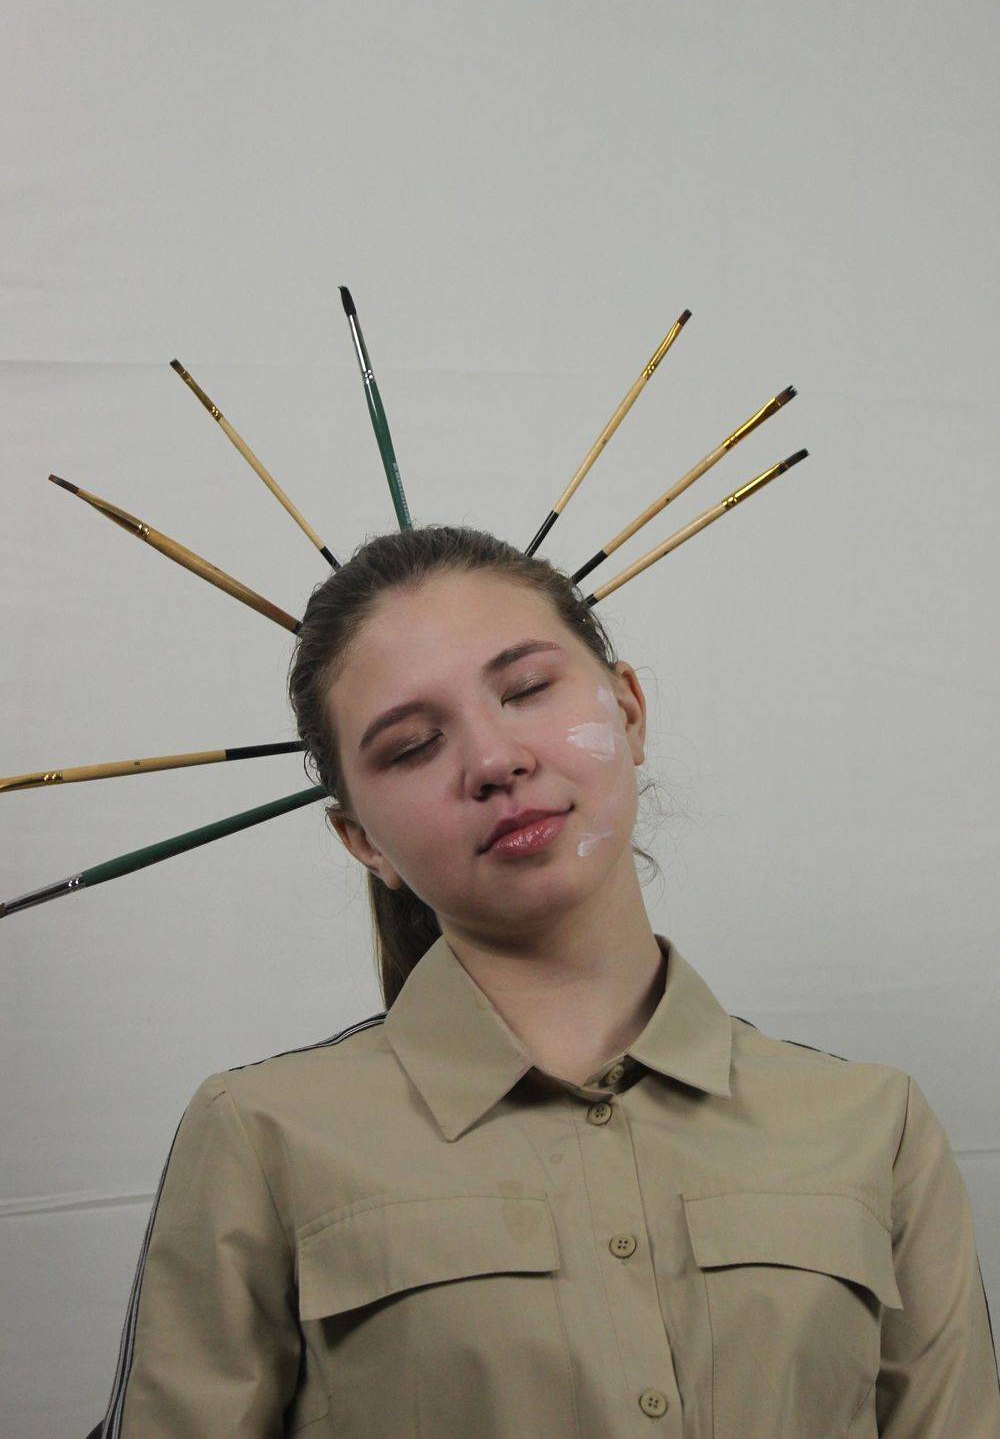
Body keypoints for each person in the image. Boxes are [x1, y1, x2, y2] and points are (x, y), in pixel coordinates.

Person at [90, 524, 999, 1438]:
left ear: (630, 710)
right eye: (412, 746)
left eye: (526, 690)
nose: (494, 762)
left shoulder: (872, 1125)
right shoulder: (261, 1137)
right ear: (362, 840)